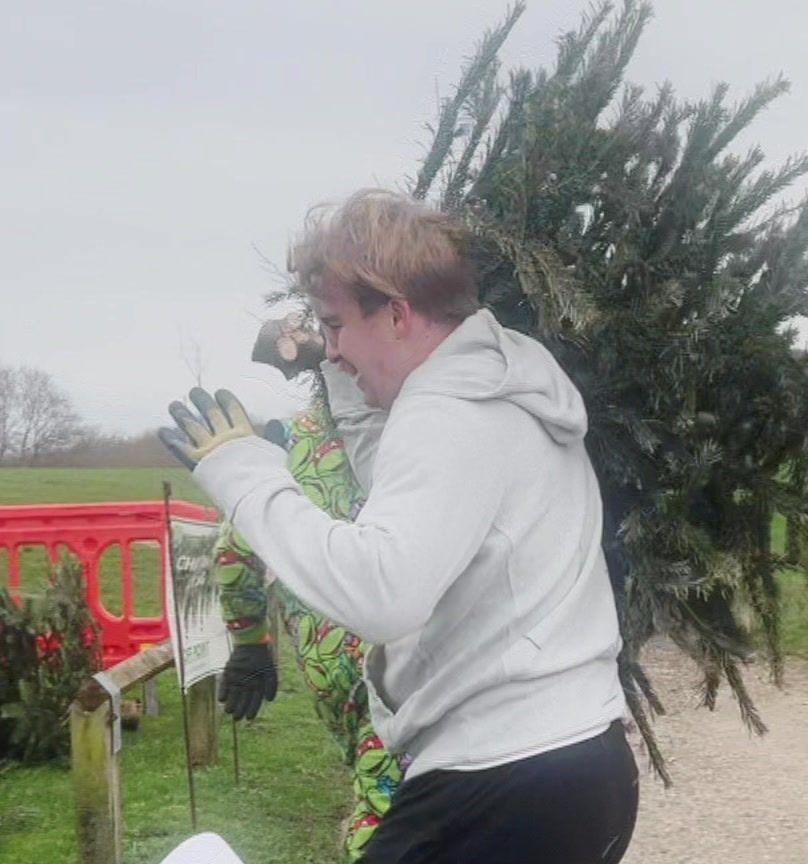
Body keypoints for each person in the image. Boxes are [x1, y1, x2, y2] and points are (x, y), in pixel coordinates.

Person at [160, 189, 637, 864]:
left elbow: (382, 593)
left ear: (398, 314)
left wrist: (243, 471)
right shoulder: (498, 381)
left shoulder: (449, 416)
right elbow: (393, 470)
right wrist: (340, 369)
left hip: (502, 783)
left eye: (334, 325)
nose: (329, 349)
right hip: (578, 765)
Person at [214, 318, 401, 859]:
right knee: (390, 802)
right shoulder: (418, 428)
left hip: (325, 650)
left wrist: (251, 642)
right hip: (399, 644)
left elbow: (234, 549)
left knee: (378, 784)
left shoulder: (292, 439)